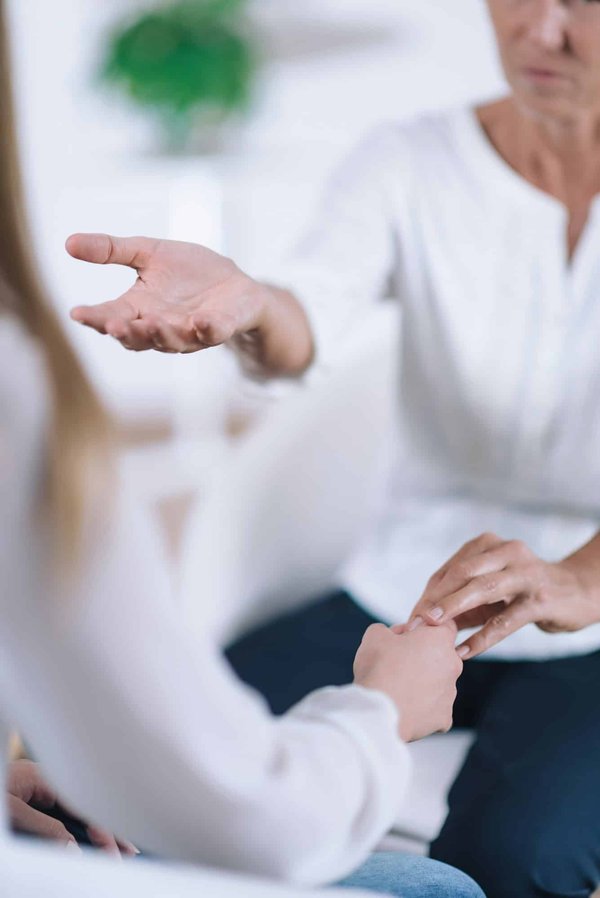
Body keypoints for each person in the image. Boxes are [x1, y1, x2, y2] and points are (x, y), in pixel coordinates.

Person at [66, 1, 600, 896]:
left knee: (515, 859)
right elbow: (306, 311)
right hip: (406, 590)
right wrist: (249, 306)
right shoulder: (410, 160)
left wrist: (580, 579)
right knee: (152, 773)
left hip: (593, 616)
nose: (539, 31)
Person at [0, 3, 485, 897]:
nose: (545, 30)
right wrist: (379, 714)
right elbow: (254, 815)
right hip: (394, 592)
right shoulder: (19, 392)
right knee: (448, 887)